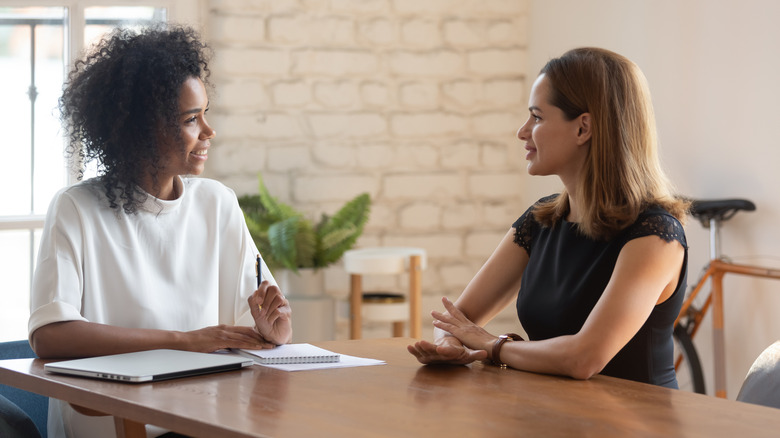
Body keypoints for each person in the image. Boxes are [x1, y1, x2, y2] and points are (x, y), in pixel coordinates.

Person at [28, 25, 292, 437]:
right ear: (144, 129)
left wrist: (274, 331)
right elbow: (50, 335)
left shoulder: (217, 203)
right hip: (113, 422)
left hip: (205, 418)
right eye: (191, 119)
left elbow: (250, 321)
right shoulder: (77, 208)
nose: (208, 131)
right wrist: (183, 340)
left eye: (205, 114)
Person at [408, 47, 689, 388]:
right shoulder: (541, 220)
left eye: (537, 117)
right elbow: (457, 319)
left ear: (583, 128)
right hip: (552, 410)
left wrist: (492, 345)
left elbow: (584, 358)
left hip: (634, 416)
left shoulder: (655, 235)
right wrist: (450, 345)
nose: (522, 131)